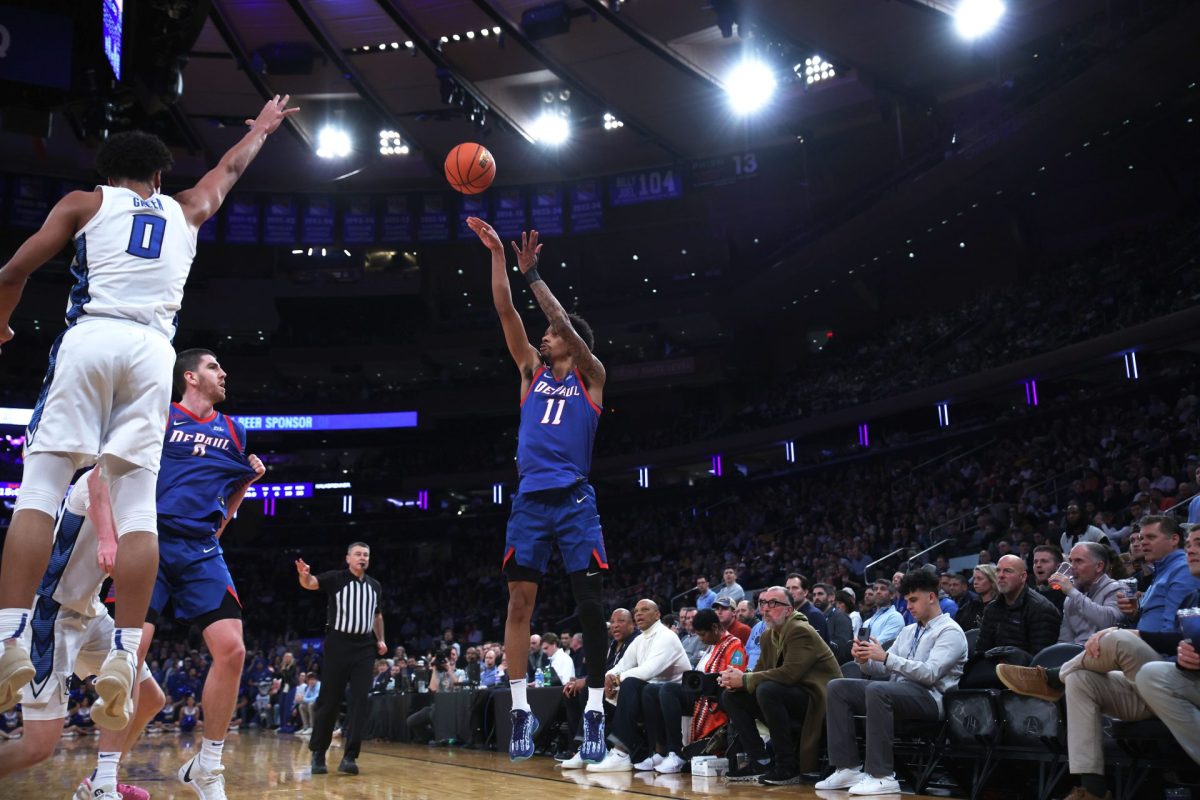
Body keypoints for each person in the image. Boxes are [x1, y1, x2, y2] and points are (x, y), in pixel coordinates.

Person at [0, 96, 298, 721]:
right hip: (153, 354)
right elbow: (229, 172)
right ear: (160, 177)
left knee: (43, 488)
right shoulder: (186, 209)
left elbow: (12, 271)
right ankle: (126, 652)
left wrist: (1, 324)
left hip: (93, 336)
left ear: (108, 176)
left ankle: (8, 639)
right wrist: (263, 131)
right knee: (139, 507)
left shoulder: (85, 203)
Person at [466, 218, 611, 764]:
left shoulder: (591, 377)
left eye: (551, 334)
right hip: (529, 500)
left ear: (571, 342)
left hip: (575, 501)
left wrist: (535, 277)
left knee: (590, 605)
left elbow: (555, 319)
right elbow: (506, 312)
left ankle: (595, 707)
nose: (542, 336)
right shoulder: (530, 371)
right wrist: (499, 258)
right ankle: (521, 708)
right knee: (518, 603)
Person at [128, 349, 265, 798]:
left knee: (232, 650)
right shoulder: (161, 416)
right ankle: (104, 772)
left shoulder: (234, 431)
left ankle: (207, 765)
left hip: (202, 548)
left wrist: (244, 485)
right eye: (213, 367)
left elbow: (230, 496)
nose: (223, 373)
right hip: (151, 540)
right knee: (133, 653)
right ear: (189, 376)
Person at [997, 526, 1200, 800]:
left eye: (1150, 536)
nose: (1190, 548)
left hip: (1161, 669)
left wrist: (1126, 630)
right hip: (1142, 669)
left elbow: (1117, 625)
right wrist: (1133, 621)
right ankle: (1091, 788)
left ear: (1100, 565)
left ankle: (1051, 678)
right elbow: (1065, 639)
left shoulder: (1170, 577)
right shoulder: (1164, 578)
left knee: (1115, 640)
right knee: (1081, 680)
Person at [0, 468, 160, 800]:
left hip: (90, 611)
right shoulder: (107, 470)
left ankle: (101, 781)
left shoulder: (145, 486)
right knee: (37, 747)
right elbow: (94, 482)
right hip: (50, 613)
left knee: (148, 697)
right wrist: (106, 538)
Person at [817, 570, 968, 796]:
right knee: (838, 687)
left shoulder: (951, 631)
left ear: (931, 597)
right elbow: (881, 668)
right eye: (906, 601)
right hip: (898, 692)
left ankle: (881, 776)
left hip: (931, 699)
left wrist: (886, 656)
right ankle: (847, 767)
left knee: (879, 690)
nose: (908, 606)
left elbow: (930, 673)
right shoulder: (908, 631)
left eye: (913, 600)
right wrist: (864, 659)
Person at [720, 586, 841, 786]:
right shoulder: (768, 635)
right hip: (790, 696)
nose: (766, 608)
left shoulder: (801, 630)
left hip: (819, 700)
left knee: (767, 689)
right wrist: (735, 679)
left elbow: (790, 674)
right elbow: (759, 671)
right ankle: (760, 760)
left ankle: (787, 765)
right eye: (762, 603)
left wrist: (746, 680)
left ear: (789, 610)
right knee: (732, 696)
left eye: (773, 603)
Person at [295, 543, 387, 776]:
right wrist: (303, 575)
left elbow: (377, 615)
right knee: (330, 700)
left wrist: (381, 640)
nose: (362, 558)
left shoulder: (375, 586)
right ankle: (318, 753)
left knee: (360, 701)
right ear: (348, 558)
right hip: (338, 643)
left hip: (365, 646)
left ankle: (350, 757)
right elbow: (311, 584)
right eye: (358, 554)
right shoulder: (336, 579)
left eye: (366, 554)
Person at [585, 599, 691, 772]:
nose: (639, 614)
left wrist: (616, 680)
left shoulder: (666, 636)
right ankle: (592, 744)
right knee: (598, 689)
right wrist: (608, 677)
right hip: (656, 690)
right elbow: (623, 665)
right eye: (636, 611)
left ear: (657, 615)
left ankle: (621, 751)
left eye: (645, 610)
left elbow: (649, 670)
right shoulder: (640, 639)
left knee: (632, 684)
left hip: (680, 693)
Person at [961, 554, 1060, 688]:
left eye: (1007, 571)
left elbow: (1041, 661)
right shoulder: (991, 608)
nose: (1000, 575)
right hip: (994, 675)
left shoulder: (1041, 608)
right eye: (998, 570)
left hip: (1027, 682)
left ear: (1023, 577)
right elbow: (981, 649)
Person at [1050, 542, 1123, 645]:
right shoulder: (1071, 597)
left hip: (1103, 652)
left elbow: (1108, 622)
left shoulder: (1117, 588)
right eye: (1071, 561)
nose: (1071, 567)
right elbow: (1065, 638)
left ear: (1099, 566)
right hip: (1077, 653)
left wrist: (1072, 592)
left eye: (1079, 561)